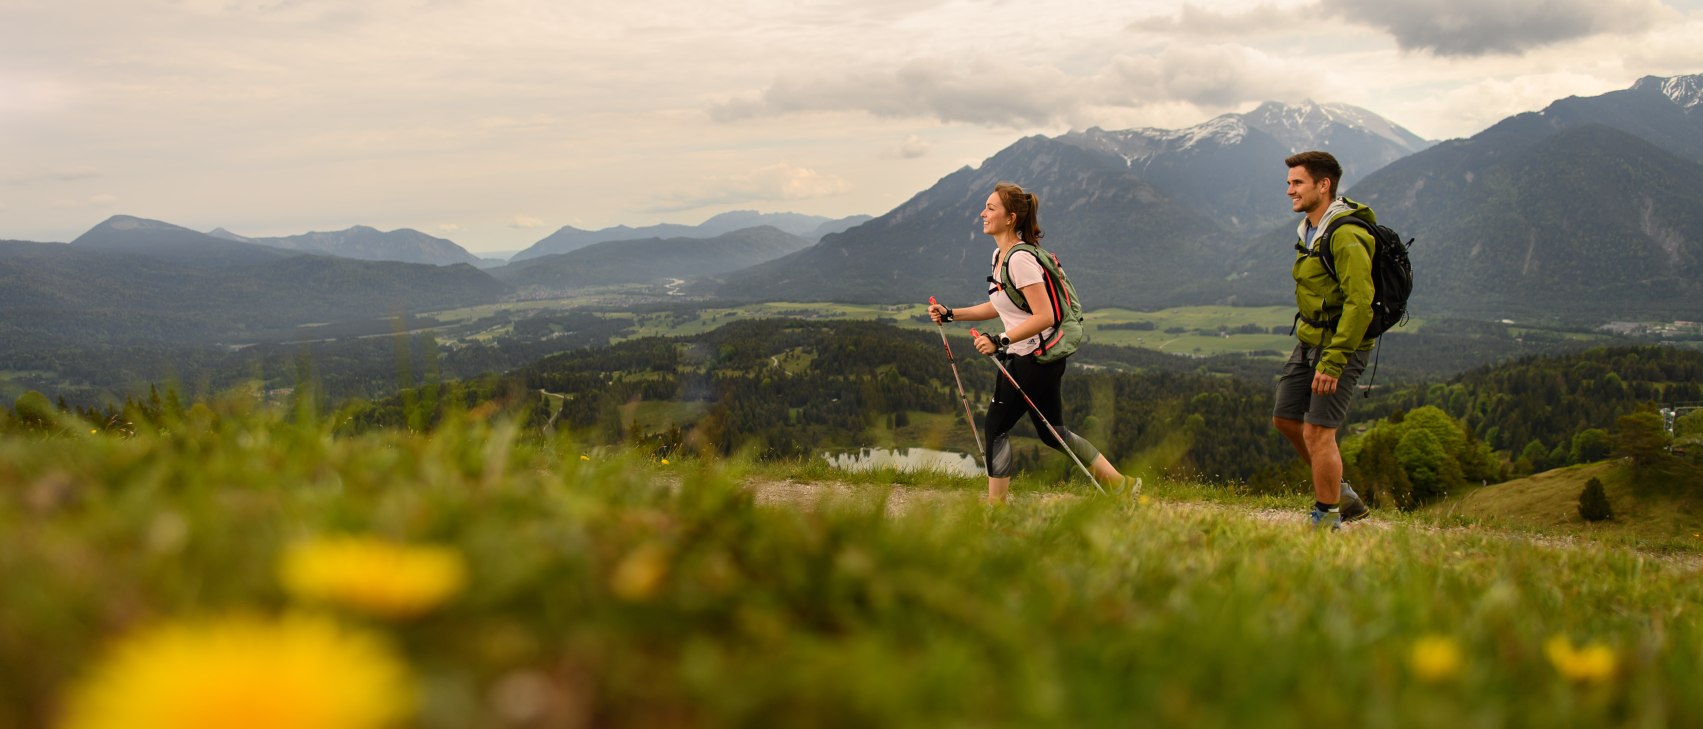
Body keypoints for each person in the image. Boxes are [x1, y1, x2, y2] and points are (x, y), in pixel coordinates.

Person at [928, 182, 1132, 504]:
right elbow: (999, 305)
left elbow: (1046, 316)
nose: (982, 213)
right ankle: (1122, 485)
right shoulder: (1001, 255)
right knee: (1054, 433)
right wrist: (952, 314)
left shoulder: (1020, 260)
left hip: (1034, 357)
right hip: (1039, 356)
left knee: (996, 428)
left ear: (1010, 218)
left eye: (990, 208)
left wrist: (1000, 339)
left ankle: (996, 510)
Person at [1274, 151, 1373, 529]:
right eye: (1289, 183)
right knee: (1285, 418)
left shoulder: (1345, 235)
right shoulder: (1311, 229)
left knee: (1318, 432)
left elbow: (1360, 304)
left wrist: (1333, 361)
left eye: (1297, 183)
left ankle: (1327, 517)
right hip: (1308, 342)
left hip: (1339, 349)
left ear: (1323, 185)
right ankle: (1341, 493)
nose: (1289, 191)